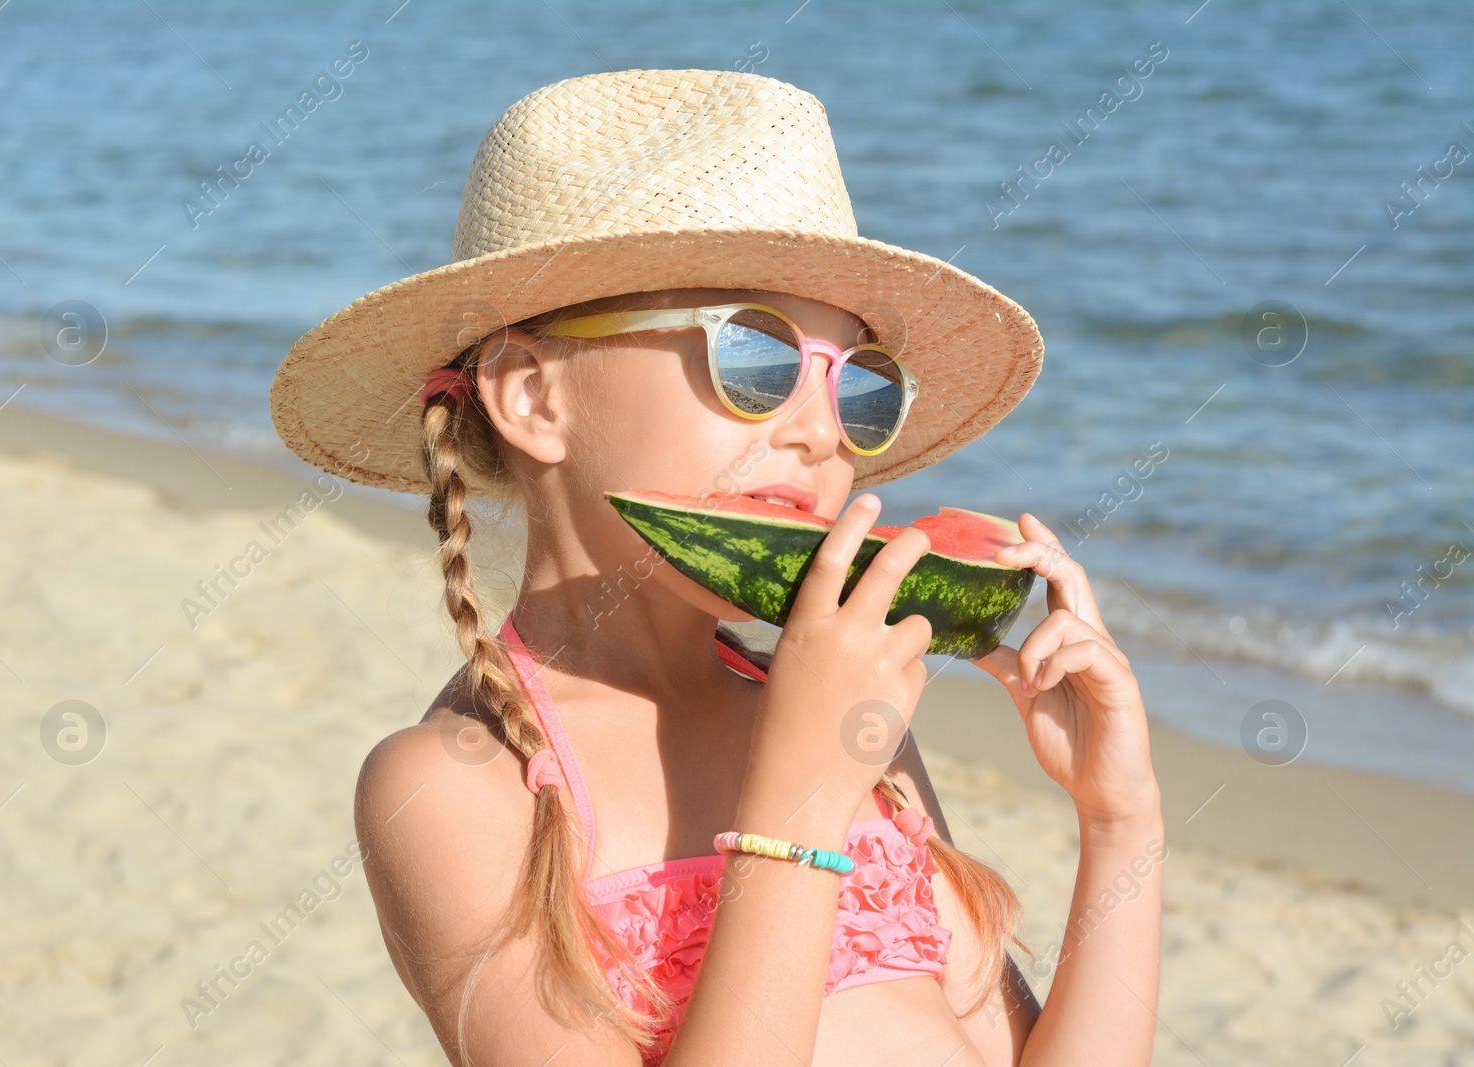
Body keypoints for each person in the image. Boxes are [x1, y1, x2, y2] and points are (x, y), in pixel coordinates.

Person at [270, 68, 1163, 1066]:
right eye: (754, 359)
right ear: (531, 395)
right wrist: (799, 798)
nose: (822, 431)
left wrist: (1118, 818)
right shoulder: (459, 792)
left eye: (858, 388)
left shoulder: (836, 714)